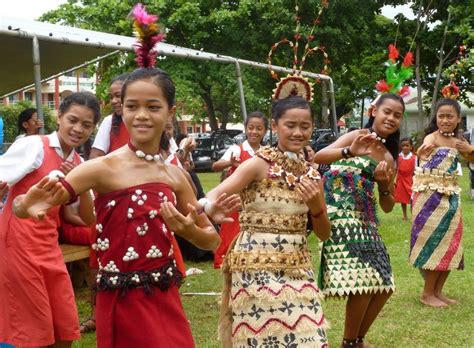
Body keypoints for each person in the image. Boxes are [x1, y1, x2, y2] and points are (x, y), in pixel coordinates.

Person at [12, 67, 238, 348]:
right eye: (132, 106)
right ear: (122, 111)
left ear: (170, 112)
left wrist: (189, 230)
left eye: (153, 106)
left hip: (164, 294)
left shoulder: (175, 176)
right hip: (120, 298)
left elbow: (211, 240)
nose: (141, 115)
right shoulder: (101, 168)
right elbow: (28, 207)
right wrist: (24, 204)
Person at [207, 96, 330, 347]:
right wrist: (211, 209)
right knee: (261, 337)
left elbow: (325, 234)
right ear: (275, 126)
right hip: (254, 265)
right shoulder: (257, 165)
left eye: (305, 126)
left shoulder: (312, 175)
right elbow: (212, 196)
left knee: (309, 337)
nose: (298, 132)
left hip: (297, 264)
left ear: (312, 127)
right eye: (290, 125)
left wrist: (317, 208)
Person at [0, 92, 100, 347]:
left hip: (48, 245)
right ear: (59, 117)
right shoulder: (34, 145)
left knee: (64, 327)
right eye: (72, 120)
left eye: (86, 125)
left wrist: (81, 182)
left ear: (93, 128)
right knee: (35, 331)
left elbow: (88, 218)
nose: (78, 129)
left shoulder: (78, 162)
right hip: (18, 244)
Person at [314, 93, 404, 348]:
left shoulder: (388, 157)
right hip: (338, 216)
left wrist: (385, 185)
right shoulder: (356, 135)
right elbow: (318, 157)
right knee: (364, 285)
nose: (391, 118)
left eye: (397, 115)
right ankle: (349, 342)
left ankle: (357, 341)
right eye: (388, 112)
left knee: (384, 285)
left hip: (366, 222)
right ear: (374, 111)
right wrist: (348, 151)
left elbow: (388, 206)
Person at [409, 98, 473, 308]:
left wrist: (469, 150)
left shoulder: (459, 141)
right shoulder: (432, 137)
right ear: (435, 118)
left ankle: (438, 292)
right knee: (432, 243)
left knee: (450, 244)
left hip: (451, 197)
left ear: (458, 119)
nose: (445, 120)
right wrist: (421, 153)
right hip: (429, 198)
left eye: (450, 116)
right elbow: (423, 154)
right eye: (441, 116)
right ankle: (427, 294)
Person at [211, 111, 268, 268]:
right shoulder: (237, 149)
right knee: (232, 231)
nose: (254, 132)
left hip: (258, 201)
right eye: (251, 128)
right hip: (237, 200)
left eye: (259, 128)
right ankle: (227, 259)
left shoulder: (266, 152)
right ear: (245, 129)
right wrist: (230, 163)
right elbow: (216, 166)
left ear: (265, 131)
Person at [89, 73, 129, 159]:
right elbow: (95, 157)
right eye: (111, 97)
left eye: (118, 96)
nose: (113, 101)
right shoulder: (109, 121)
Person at [394, 137, 416, 220]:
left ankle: (413, 215)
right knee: (403, 198)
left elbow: (415, 170)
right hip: (400, 179)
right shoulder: (398, 157)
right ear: (401, 146)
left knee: (412, 198)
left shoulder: (414, 158)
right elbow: (395, 169)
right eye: (403, 145)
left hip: (410, 180)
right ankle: (404, 215)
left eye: (407, 145)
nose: (405, 147)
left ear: (411, 147)